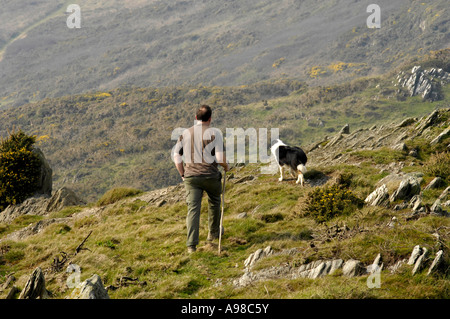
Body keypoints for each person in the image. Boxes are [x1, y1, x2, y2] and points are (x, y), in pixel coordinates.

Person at [173, 105, 229, 254]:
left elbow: (176, 157)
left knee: (193, 209)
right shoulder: (214, 134)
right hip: (210, 175)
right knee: (215, 201)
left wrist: (183, 174)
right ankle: (214, 233)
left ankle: (191, 245)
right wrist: (227, 166)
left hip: (191, 177)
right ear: (210, 119)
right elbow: (219, 158)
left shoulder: (185, 133)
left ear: (196, 118)